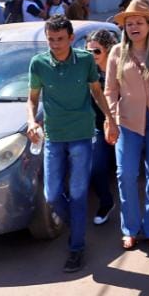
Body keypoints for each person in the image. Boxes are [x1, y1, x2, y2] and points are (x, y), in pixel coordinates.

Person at [27, 16, 116, 273]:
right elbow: (32, 99)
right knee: (52, 195)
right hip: (54, 137)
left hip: (82, 135)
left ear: (70, 38)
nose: (55, 44)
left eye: (60, 39)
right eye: (51, 39)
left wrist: (110, 119)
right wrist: (32, 121)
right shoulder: (38, 63)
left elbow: (97, 92)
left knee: (78, 195)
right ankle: (76, 227)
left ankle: (76, 247)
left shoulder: (86, 60)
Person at [105, 0, 149, 250]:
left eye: (139, 22)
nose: (134, 27)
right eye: (129, 23)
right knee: (126, 174)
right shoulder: (116, 52)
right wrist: (111, 119)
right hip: (127, 122)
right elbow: (110, 90)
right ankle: (130, 227)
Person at [86, 29, 118, 224]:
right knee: (95, 168)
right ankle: (106, 202)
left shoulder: (120, 69)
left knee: (128, 173)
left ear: (108, 49)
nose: (92, 56)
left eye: (96, 51)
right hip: (99, 127)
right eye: (88, 52)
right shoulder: (87, 72)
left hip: (126, 125)